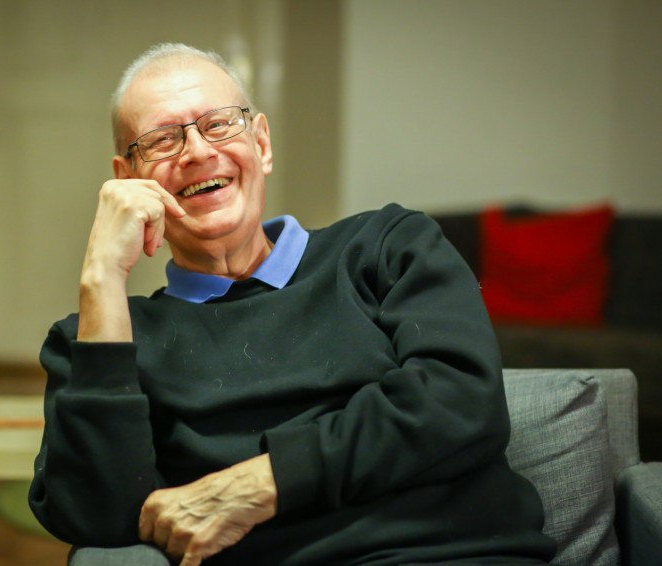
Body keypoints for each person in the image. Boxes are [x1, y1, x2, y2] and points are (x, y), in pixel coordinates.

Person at [29, 43, 556, 566]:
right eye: (162, 140)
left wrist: (265, 481)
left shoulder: (386, 247)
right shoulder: (102, 339)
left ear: (261, 143)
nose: (197, 151)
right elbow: (98, 516)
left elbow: (461, 398)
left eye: (218, 124)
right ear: (127, 179)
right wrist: (101, 277)